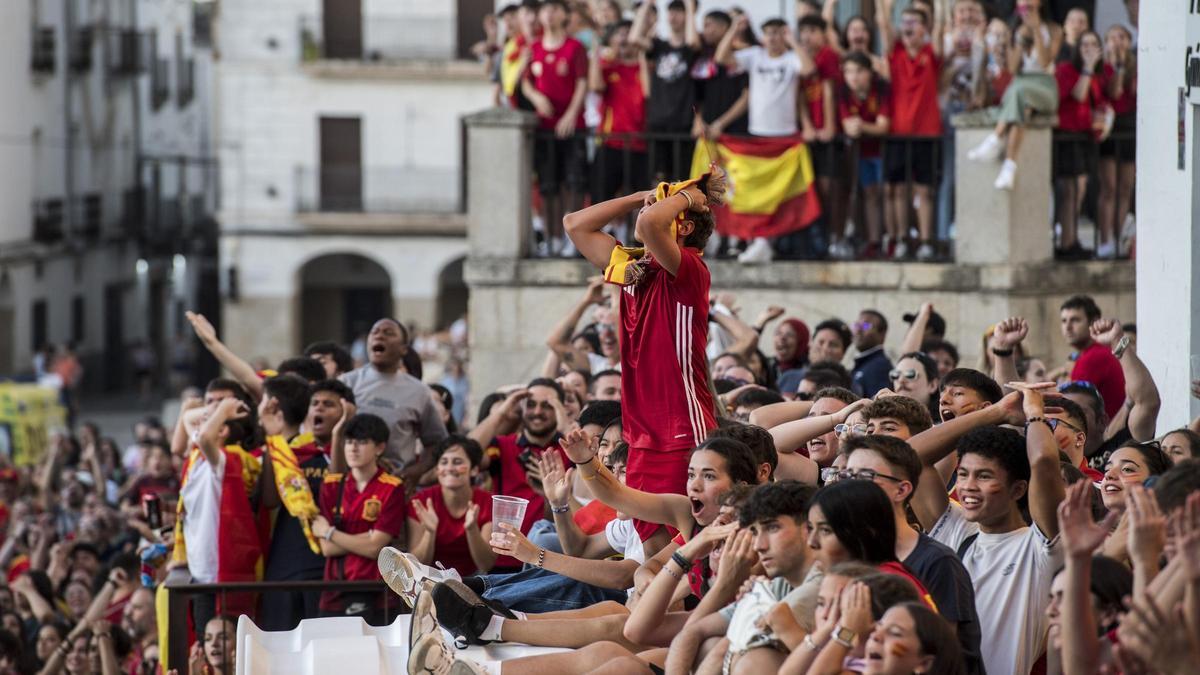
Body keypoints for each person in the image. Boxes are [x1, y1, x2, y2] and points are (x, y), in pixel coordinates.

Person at [565, 169, 723, 543]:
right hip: (640, 435)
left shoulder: (690, 269)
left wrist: (689, 197)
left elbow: (653, 224)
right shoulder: (635, 267)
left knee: (684, 547)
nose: (647, 210)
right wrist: (642, 195)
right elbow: (575, 225)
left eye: (658, 204)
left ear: (682, 228)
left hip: (681, 429)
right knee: (652, 552)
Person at [909, 384, 1066, 675]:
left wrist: (1034, 414)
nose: (967, 486)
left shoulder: (1040, 546)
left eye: (984, 476)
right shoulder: (957, 530)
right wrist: (997, 412)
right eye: (964, 474)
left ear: (1018, 489)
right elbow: (909, 457)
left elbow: (1043, 461)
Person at [841, 435, 984, 674]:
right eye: (848, 476)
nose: (851, 487)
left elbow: (942, 655)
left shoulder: (938, 562)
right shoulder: (851, 556)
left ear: (902, 490)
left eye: (864, 477)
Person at [663, 481, 820, 674]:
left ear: (809, 529)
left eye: (772, 528)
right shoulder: (778, 584)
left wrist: (725, 583)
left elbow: (640, 631)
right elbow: (691, 632)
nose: (759, 545)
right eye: (754, 531)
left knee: (754, 658)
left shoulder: (821, 583)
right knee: (714, 644)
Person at [714, 15, 814, 263]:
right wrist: (734, 30)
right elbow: (721, 58)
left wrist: (793, 41)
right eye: (768, 33)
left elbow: (809, 69)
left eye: (778, 33)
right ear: (763, 36)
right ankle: (757, 241)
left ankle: (766, 242)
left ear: (784, 35)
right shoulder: (755, 55)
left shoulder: (792, 59)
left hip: (785, 137)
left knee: (778, 196)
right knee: (756, 192)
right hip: (757, 136)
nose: (773, 38)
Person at [311, 413, 406, 626]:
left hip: (376, 588)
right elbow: (327, 549)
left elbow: (376, 549)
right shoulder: (331, 486)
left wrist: (330, 533)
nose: (353, 448)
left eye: (362, 442)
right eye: (350, 441)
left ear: (379, 448)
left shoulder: (392, 487)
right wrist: (366, 539)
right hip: (335, 588)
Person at [338, 318, 448, 477]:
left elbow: (437, 443)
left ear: (404, 349)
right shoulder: (347, 383)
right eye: (374, 332)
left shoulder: (419, 391)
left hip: (395, 486)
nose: (379, 336)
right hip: (350, 484)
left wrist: (414, 472)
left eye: (388, 333)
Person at [522, 0, 589, 257]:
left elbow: (582, 83)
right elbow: (526, 82)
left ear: (564, 14)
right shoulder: (534, 47)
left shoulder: (575, 47)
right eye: (545, 9)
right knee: (548, 185)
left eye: (554, 8)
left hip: (572, 128)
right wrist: (537, 98)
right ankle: (552, 238)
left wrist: (571, 115)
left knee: (573, 183)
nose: (549, 13)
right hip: (544, 129)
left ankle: (573, 239)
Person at [876, 0, 942, 260]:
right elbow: (883, 28)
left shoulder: (930, 52)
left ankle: (926, 240)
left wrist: (940, 7)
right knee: (898, 189)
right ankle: (901, 238)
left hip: (926, 132)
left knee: (924, 190)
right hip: (898, 132)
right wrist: (885, 7)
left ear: (924, 28)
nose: (907, 27)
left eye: (913, 23)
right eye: (904, 23)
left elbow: (940, 30)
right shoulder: (896, 53)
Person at [469, 380, 568, 537]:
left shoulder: (570, 449)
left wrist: (565, 422)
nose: (537, 411)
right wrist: (501, 413)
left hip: (553, 554)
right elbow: (466, 453)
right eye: (530, 404)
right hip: (505, 553)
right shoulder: (502, 445)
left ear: (560, 409)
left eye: (547, 405)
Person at [407, 436, 497, 577]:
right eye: (444, 462)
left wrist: (472, 529)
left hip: (473, 581)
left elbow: (486, 564)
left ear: (474, 470)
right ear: (437, 470)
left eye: (457, 462)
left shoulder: (487, 502)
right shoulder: (421, 501)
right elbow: (416, 566)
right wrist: (429, 533)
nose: (449, 468)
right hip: (429, 581)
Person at [631, 0, 700, 181]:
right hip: (658, 120)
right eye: (670, 12)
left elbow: (693, 41)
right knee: (658, 175)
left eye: (679, 12)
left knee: (682, 177)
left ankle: (679, 210)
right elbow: (634, 39)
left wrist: (690, 8)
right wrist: (646, 5)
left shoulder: (691, 48)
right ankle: (659, 209)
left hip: (683, 122)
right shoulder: (659, 45)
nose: (673, 16)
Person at [1054, 30, 1105, 259]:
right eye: (1085, 45)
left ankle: (1071, 238)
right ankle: (1067, 241)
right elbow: (1077, 94)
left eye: (1094, 44)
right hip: (1067, 137)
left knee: (1080, 190)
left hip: (1084, 138)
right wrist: (1087, 69)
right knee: (1070, 191)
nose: (1090, 49)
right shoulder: (1067, 69)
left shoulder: (1095, 74)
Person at [590, 20, 650, 211]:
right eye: (620, 33)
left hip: (640, 144)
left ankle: (640, 240)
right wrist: (596, 53)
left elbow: (648, 94)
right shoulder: (610, 67)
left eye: (629, 33)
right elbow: (596, 86)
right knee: (600, 201)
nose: (625, 38)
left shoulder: (646, 68)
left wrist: (642, 53)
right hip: (611, 142)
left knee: (645, 204)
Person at [838, 51, 891, 260]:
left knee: (886, 194)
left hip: (883, 152)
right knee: (868, 195)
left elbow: (883, 127)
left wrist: (862, 126)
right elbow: (848, 126)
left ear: (869, 72)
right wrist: (866, 126)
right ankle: (873, 240)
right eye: (849, 71)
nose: (853, 76)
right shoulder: (843, 93)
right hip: (861, 154)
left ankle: (892, 238)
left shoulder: (882, 90)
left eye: (859, 71)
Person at [1095, 23, 1135, 260]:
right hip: (1111, 129)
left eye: (1122, 37)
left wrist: (1126, 67)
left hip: (1129, 129)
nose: (1118, 42)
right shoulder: (1104, 68)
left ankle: (1119, 236)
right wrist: (1117, 68)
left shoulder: (1135, 65)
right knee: (1109, 187)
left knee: (1125, 187)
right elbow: (1115, 92)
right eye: (1113, 37)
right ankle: (1105, 238)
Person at [1060, 296, 1125, 419]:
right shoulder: (1096, 352)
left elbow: (1072, 411)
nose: (1067, 327)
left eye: (1075, 320)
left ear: (1093, 322)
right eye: (1064, 321)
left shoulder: (1092, 358)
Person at [851, 309, 892, 397]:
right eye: (856, 325)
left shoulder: (879, 366)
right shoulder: (863, 363)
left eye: (865, 326)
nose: (858, 330)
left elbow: (879, 406)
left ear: (882, 334)